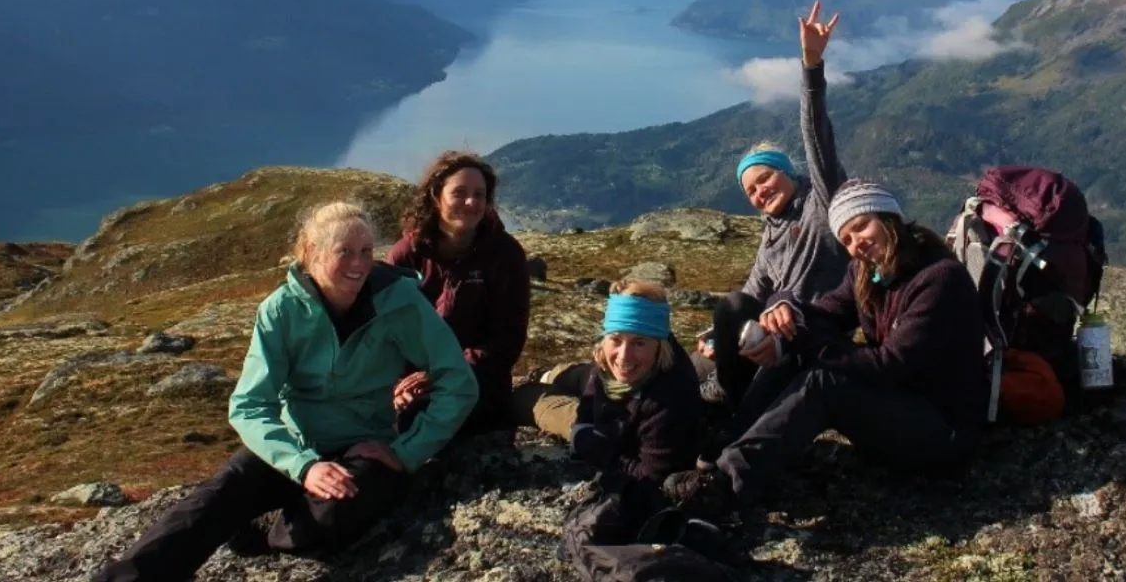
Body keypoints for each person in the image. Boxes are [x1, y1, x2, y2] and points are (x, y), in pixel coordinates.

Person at [92, 202, 479, 582]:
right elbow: (249, 405)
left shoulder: (399, 302)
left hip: (361, 446)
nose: (359, 264)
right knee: (212, 499)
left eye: (365, 251)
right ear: (311, 252)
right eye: (343, 251)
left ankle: (270, 529)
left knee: (336, 512)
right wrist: (304, 465)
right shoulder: (281, 310)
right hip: (294, 444)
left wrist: (404, 452)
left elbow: (458, 382)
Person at [663, 181, 990, 522]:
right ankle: (728, 446)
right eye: (846, 239)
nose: (856, 243)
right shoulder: (869, 273)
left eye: (861, 226)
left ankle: (723, 487)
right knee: (799, 347)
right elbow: (823, 312)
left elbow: (891, 364)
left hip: (942, 431)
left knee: (825, 380)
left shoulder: (938, 279)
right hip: (901, 405)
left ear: (888, 216)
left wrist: (806, 338)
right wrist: (783, 307)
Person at [698, 0, 853, 428]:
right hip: (764, 338)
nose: (759, 191)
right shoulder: (770, 237)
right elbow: (751, 294)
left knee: (735, 414)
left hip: (807, 341)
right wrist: (719, 337)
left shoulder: (823, 204)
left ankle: (727, 406)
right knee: (678, 363)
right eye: (750, 189)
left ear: (788, 174)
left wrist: (811, 65)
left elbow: (818, 138)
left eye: (765, 178)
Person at [387, 150, 533, 434]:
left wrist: (440, 375)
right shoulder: (407, 255)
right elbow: (385, 333)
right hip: (409, 385)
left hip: (476, 385)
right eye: (460, 193)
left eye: (479, 194)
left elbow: (506, 340)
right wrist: (397, 385)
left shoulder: (505, 255)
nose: (471, 202)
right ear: (436, 196)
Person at [557, 279, 706, 553]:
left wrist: (593, 445)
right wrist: (585, 430)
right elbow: (587, 410)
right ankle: (554, 375)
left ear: (659, 346)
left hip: (623, 433)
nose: (624, 355)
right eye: (616, 339)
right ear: (604, 339)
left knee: (542, 404)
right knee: (566, 378)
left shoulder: (669, 398)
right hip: (615, 417)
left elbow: (652, 475)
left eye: (639, 343)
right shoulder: (605, 366)